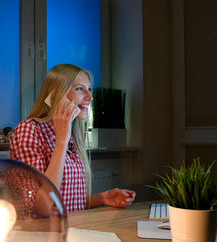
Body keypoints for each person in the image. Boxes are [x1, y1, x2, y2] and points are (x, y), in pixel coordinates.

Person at [10, 64, 136, 213]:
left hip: (74, 230)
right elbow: (41, 206)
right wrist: (61, 142)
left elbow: (66, 200)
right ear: (57, 95)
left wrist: (103, 198)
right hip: (42, 234)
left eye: (89, 89)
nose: (90, 97)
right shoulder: (29, 130)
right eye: (79, 89)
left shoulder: (72, 135)